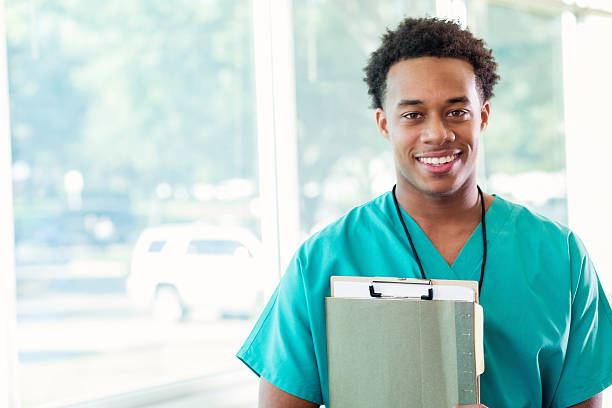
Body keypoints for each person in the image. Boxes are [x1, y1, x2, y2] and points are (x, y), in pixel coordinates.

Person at [236, 17, 612, 408]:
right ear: (385, 124)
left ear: (482, 116)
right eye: (413, 115)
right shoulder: (322, 262)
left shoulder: (560, 255)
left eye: (456, 112)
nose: (437, 134)